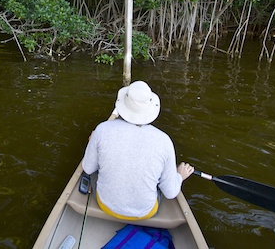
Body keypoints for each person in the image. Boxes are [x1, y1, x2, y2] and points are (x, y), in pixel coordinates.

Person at [82, 80, 194, 220]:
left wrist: (92, 142)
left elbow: (87, 168)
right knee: (162, 182)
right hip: (145, 213)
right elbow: (171, 193)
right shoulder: (164, 141)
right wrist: (179, 176)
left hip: (105, 205)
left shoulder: (102, 129)